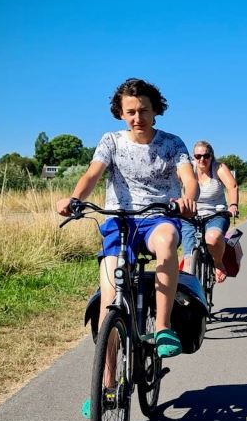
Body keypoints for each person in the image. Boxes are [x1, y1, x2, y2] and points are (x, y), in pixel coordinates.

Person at [56, 78, 197, 358]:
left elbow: (188, 178)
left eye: (143, 110)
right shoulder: (111, 141)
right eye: (130, 112)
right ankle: (106, 390)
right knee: (109, 303)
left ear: (155, 110)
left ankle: (162, 327)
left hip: (159, 218)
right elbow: (91, 174)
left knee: (168, 240)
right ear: (120, 113)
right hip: (119, 223)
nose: (137, 118)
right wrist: (75, 200)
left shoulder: (172, 143)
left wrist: (187, 198)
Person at [179, 140, 239, 283]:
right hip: (190, 216)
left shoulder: (218, 168)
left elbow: (232, 186)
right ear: (193, 157)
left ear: (211, 156)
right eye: (198, 156)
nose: (202, 159)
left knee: (212, 237)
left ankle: (218, 263)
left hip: (215, 215)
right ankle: (190, 299)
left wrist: (233, 205)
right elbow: (172, 184)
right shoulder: (188, 169)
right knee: (187, 262)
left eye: (206, 156)